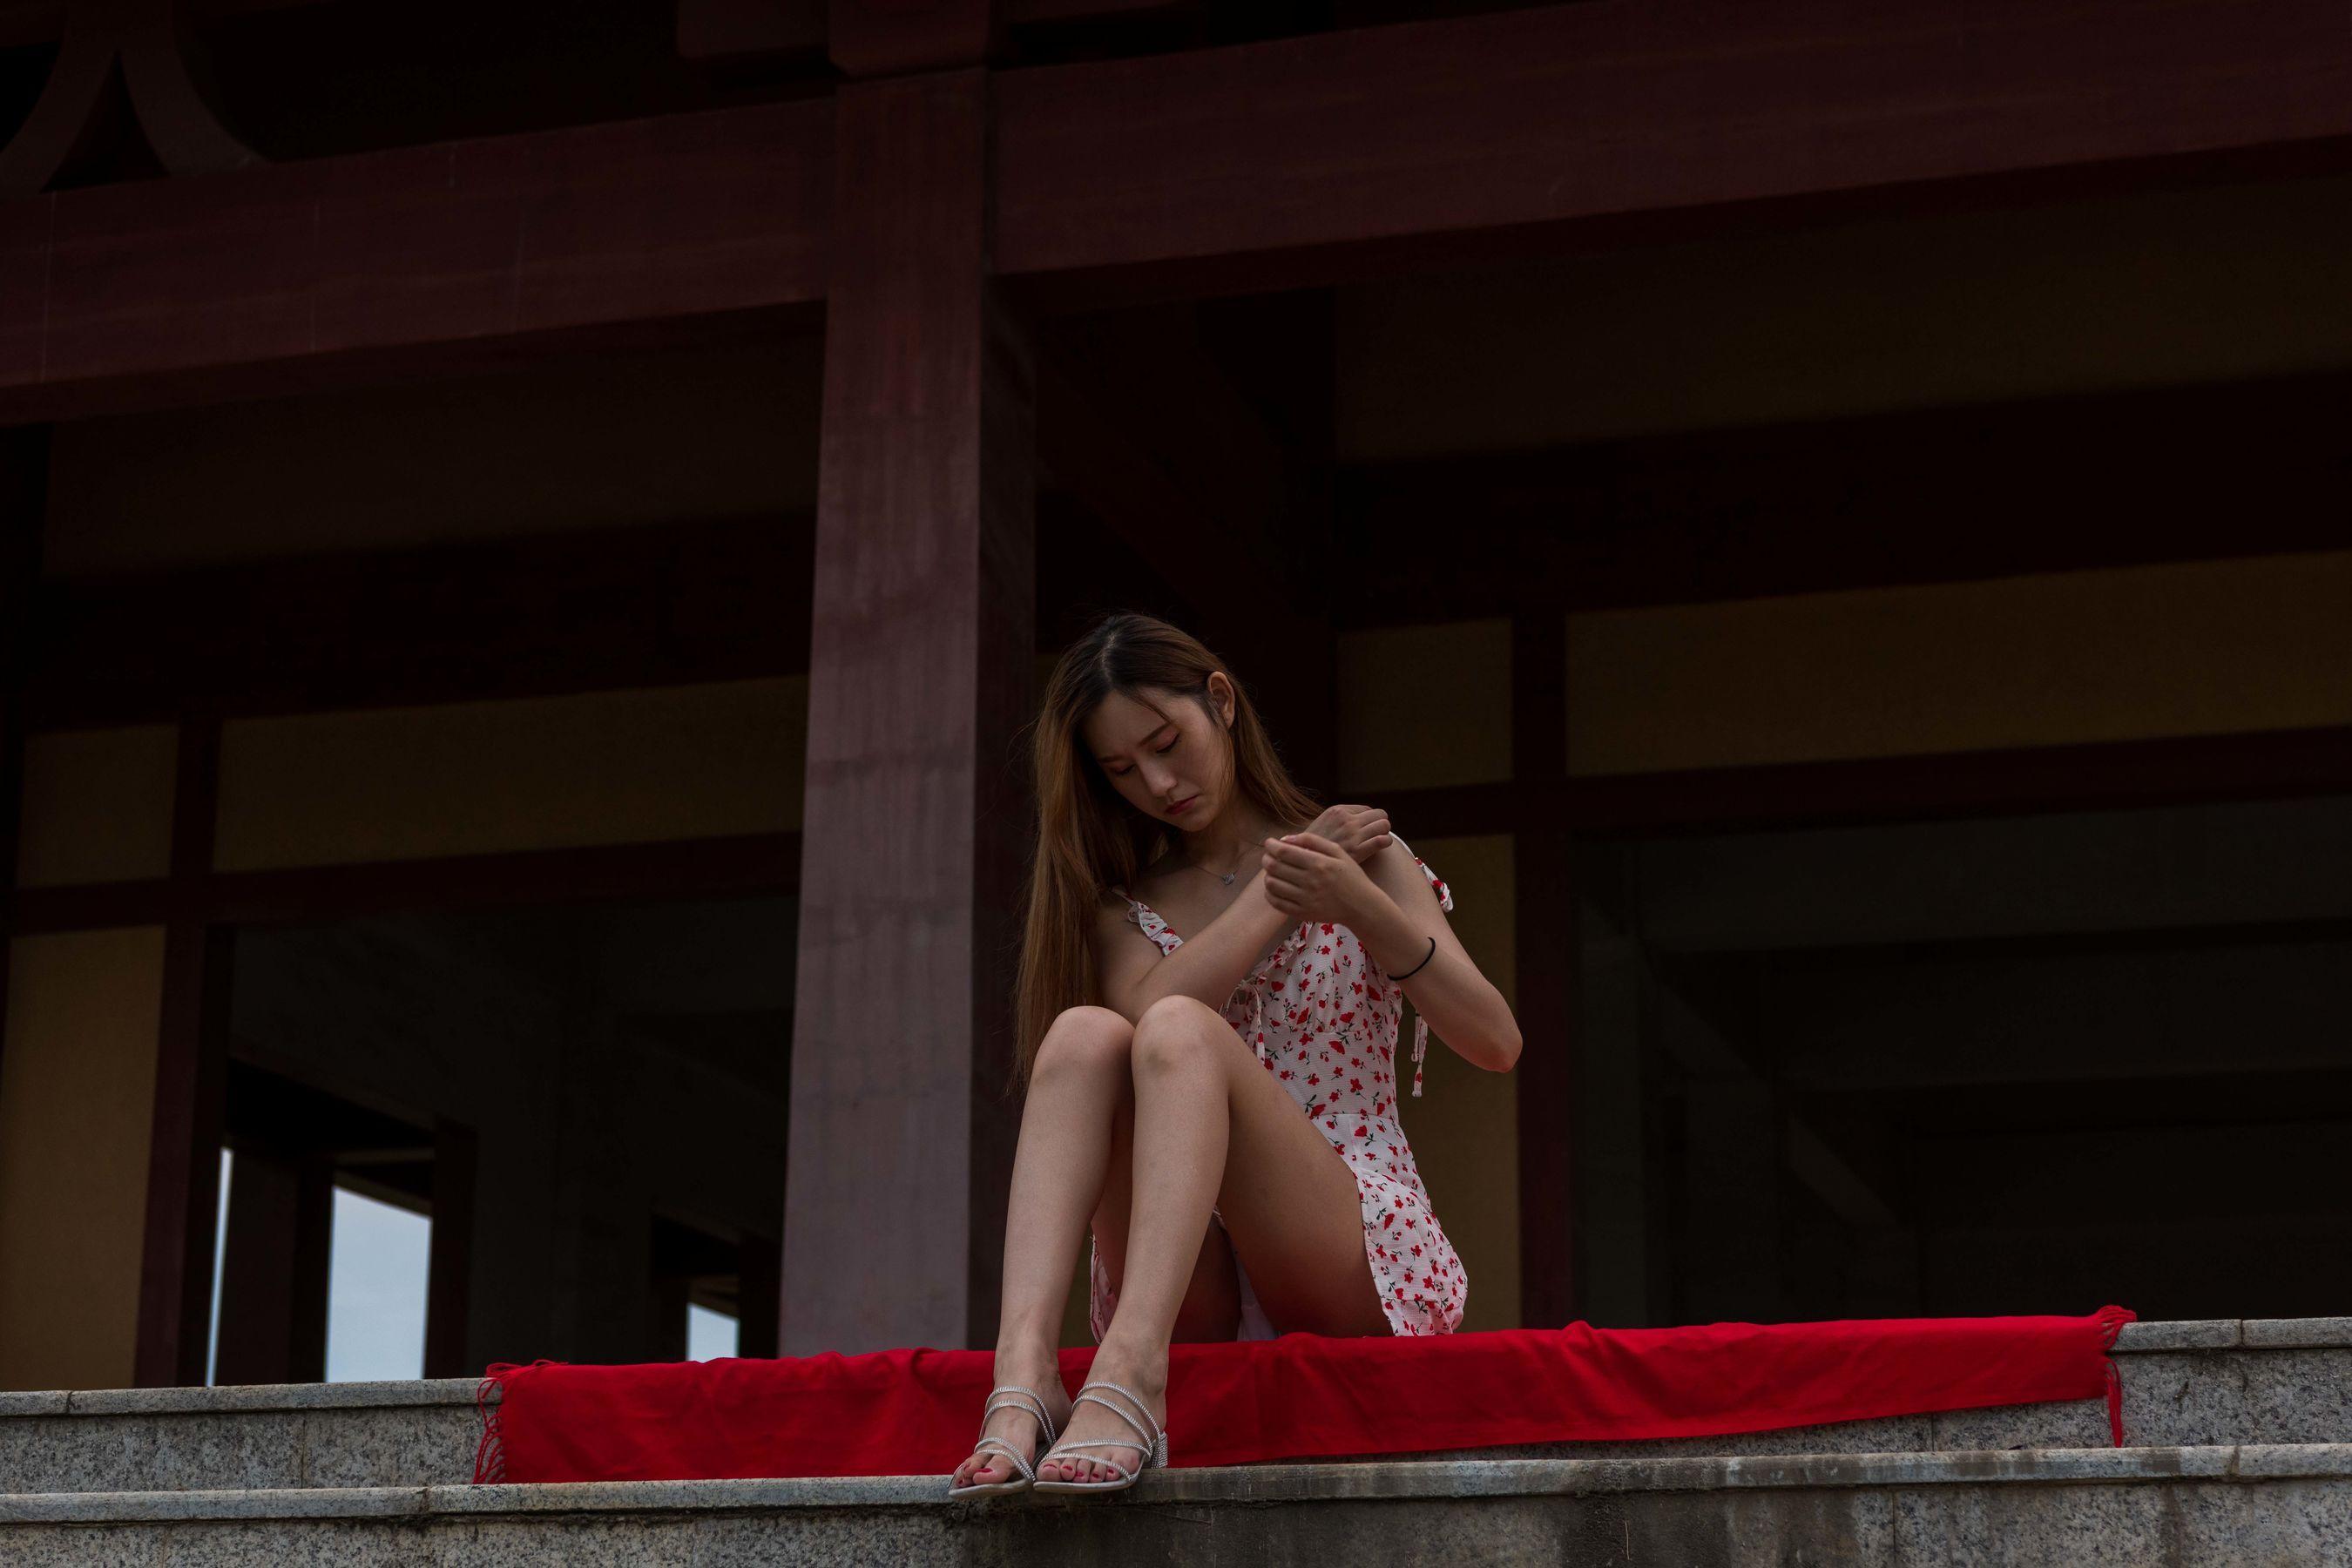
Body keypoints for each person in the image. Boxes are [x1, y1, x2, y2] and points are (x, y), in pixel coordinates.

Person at [948, 612, 1523, 1497]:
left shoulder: (1364, 859)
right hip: (1184, 1269)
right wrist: (1279, 894)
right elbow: (1151, 1015)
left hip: (1342, 1237)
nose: (1157, 783)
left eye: (1165, 744)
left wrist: (1358, 902)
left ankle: (1131, 1371)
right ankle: (1021, 1372)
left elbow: (1495, 1041)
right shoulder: (1122, 907)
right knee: (1085, 1033)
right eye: (1122, 770)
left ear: (1220, 700)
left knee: (1180, 1031)